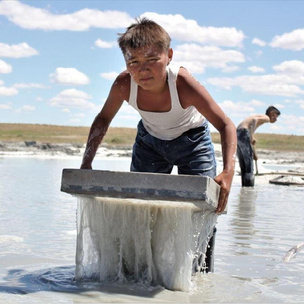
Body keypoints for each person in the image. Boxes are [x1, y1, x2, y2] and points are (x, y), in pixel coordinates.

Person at [80, 18, 236, 273]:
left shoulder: (182, 84)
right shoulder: (123, 84)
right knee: (140, 208)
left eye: (152, 59)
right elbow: (103, 118)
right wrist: (86, 162)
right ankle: (140, 272)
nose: (143, 70)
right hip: (150, 143)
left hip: (193, 141)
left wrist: (228, 172)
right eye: (134, 62)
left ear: (169, 55)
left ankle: (201, 274)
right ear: (126, 64)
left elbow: (226, 124)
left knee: (205, 211)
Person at [237, 106, 281, 187]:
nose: (276, 119)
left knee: (244, 164)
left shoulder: (260, 116)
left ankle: (244, 189)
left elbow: (251, 125)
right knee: (249, 166)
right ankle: (249, 189)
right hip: (244, 132)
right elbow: (255, 120)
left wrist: (254, 153)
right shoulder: (266, 118)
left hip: (238, 133)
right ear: (272, 114)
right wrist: (251, 136)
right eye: (275, 116)